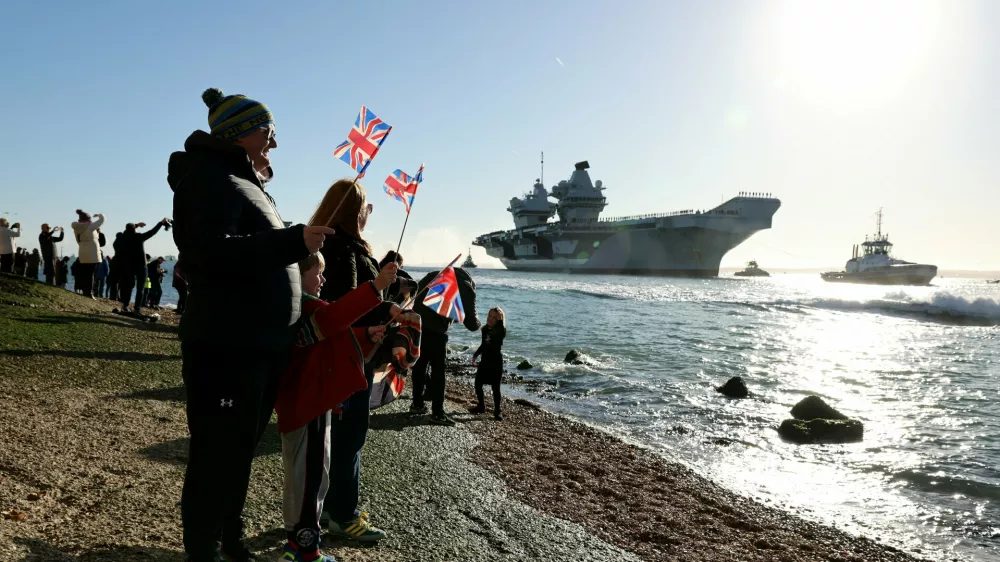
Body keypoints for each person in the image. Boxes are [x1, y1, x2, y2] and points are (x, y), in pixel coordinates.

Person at [169, 87, 334, 562]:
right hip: (226, 346)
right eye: (269, 132)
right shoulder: (206, 178)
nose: (274, 143)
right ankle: (203, 550)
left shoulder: (242, 180)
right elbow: (209, 251)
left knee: (237, 450)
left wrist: (295, 249)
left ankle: (229, 540)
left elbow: (247, 249)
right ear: (242, 133)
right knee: (217, 452)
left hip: (256, 345)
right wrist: (292, 242)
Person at [275, 252, 395, 562]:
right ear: (298, 275)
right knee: (310, 477)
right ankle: (305, 549)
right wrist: (377, 286)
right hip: (309, 405)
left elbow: (328, 336)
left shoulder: (293, 308)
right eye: (319, 273)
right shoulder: (307, 306)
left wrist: (365, 335)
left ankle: (296, 540)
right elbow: (334, 318)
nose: (324, 279)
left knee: (306, 475)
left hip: (305, 403)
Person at [310, 178, 399, 543]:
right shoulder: (344, 248)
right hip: (351, 355)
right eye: (366, 208)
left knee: (339, 436)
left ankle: (330, 507)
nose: (369, 215)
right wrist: (380, 312)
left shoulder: (325, 242)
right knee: (350, 435)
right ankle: (343, 515)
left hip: (343, 353)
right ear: (355, 212)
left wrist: (386, 299)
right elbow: (345, 304)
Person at [411, 267, 481, 425]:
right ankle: (437, 413)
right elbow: (471, 323)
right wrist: (480, 325)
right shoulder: (465, 286)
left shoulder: (435, 274)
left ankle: (417, 404)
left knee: (420, 365)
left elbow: (417, 297)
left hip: (418, 325)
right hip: (436, 330)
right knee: (438, 370)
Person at [116, 221, 168, 315]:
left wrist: (136, 225)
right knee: (140, 289)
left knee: (129, 286)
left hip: (130, 265)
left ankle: (126, 305)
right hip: (141, 265)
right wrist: (160, 223)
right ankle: (137, 308)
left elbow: (127, 231)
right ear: (134, 229)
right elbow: (152, 232)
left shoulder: (124, 237)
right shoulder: (139, 237)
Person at [470, 307, 508, 421]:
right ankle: (481, 406)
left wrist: (500, 320)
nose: (490, 319)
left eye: (494, 317)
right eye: (489, 316)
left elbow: (501, 331)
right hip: (485, 361)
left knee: (496, 388)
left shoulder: (500, 331)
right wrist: (475, 356)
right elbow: (483, 345)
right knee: (478, 384)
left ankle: (497, 411)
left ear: (499, 320)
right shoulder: (485, 329)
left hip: (496, 362)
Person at [71, 209, 105, 299]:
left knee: (86, 273)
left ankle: (85, 291)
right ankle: (89, 293)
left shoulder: (77, 228)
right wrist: (99, 215)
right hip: (92, 254)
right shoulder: (90, 226)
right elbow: (102, 220)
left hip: (82, 252)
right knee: (91, 274)